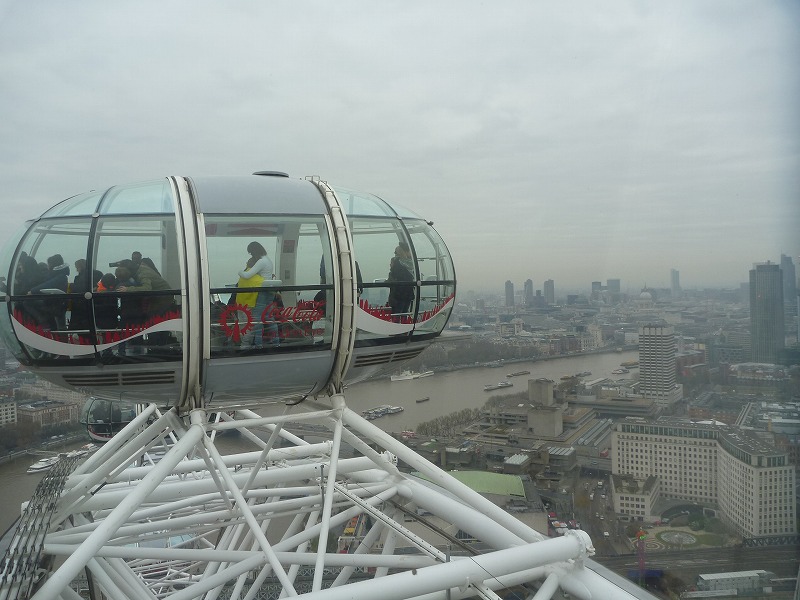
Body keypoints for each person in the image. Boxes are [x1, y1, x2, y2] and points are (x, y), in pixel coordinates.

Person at [236, 241, 277, 349]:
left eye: (250, 253)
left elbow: (247, 275)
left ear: (254, 251)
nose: (251, 255)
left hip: (262, 290)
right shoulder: (268, 260)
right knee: (269, 317)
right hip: (270, 290)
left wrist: (239, 271)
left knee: (257, 319)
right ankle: (276, 341)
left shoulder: (261, 261)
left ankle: (258, 344)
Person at [28, 254, 71, 329]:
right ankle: (60, 338)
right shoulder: (60, 274)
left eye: (49, 264)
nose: (48, 266)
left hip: (56, 304)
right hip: (59, 303)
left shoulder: (60, 276)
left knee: (27, 302)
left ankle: (42, 321)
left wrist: (32, 291)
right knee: (60, 324)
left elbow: (48, 284)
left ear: (52, 264)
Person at [69, 259, 103, 332]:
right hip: (89, 306)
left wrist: (72, 286)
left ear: (79, 267)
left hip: (79, 306)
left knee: (80, 328)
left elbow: (79, 289)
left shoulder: (79, 278)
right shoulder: (93, 275)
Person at [386, 242, 415, 318]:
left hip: (399, 295)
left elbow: (393, 277)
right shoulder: (410, 264)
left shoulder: (397, 263)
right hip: (405, 294)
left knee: (398, 315)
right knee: (402, 315)